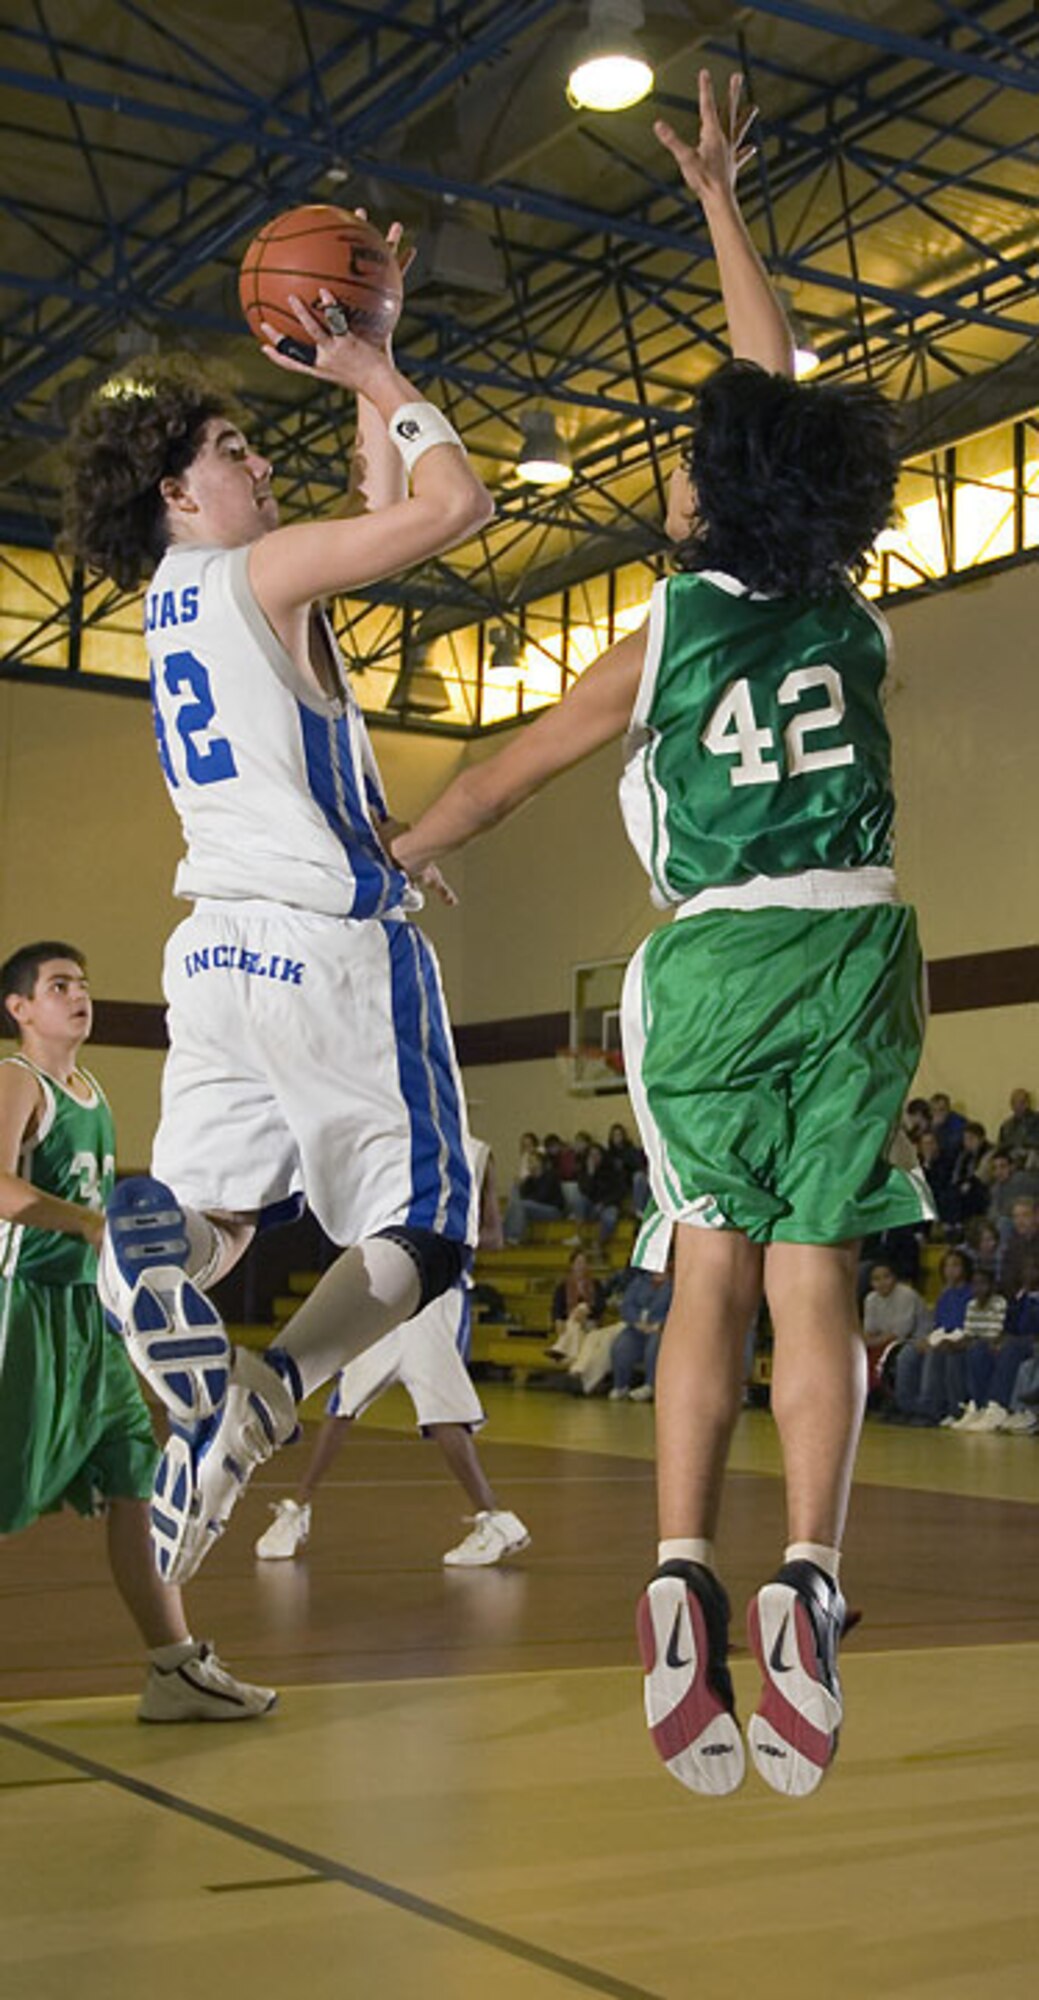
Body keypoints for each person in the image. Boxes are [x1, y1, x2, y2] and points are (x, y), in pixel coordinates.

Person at [389, 71, 934, 1800]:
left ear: (710, 500)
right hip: (851, 948)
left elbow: (503, 774)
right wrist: (722, 206)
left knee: (701, 1265)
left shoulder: (658, 640)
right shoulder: (850, 616)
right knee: (814, 1280)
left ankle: (680, 1563)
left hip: (699, 967)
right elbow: (772, 392)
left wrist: (394, 851)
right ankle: (808, 1575)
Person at [61, 233, 494, 1589]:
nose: (257, 464)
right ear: (180, 495)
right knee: (425, 1234)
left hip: (214, 954)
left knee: (220, 1219)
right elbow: (447, 508)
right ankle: (274, 1387)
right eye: (235, 450)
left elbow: (360, 526)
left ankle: (156, 1246)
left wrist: (368, 360)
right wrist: (382, 363)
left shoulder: (170, 603)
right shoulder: (257, 574)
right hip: (331, 950)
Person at [0, 941, 273, 1721]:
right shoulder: (17, 1080)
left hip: (95, 1317)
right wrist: (91, 1225)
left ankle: (173, 1667)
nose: (77, 994)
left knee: (138, 1484)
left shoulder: (90, 1088)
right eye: (58, 985)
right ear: (20, 1008)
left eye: (82, 982)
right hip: (28, 1309)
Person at [254, 1142, 529, 1568]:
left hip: (434, 1292)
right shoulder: (392, 1139)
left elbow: (494, 1236)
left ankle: (495, 1518)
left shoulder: (476, 1155)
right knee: (343, 1404)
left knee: (442, 1413)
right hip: (391, 1287)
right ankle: (299, 1509)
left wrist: (453, 1234)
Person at [608, 1266, 674, 1401]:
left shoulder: (675, 1284)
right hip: (638, 1327)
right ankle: (621, 1386)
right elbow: (627, 1305)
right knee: (621, 1346)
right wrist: (636, 1322)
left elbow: (677, 1309)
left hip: (661, 1329)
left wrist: (660, 1324)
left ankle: (650, 1385)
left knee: (654, 1345)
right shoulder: (639, 1282)